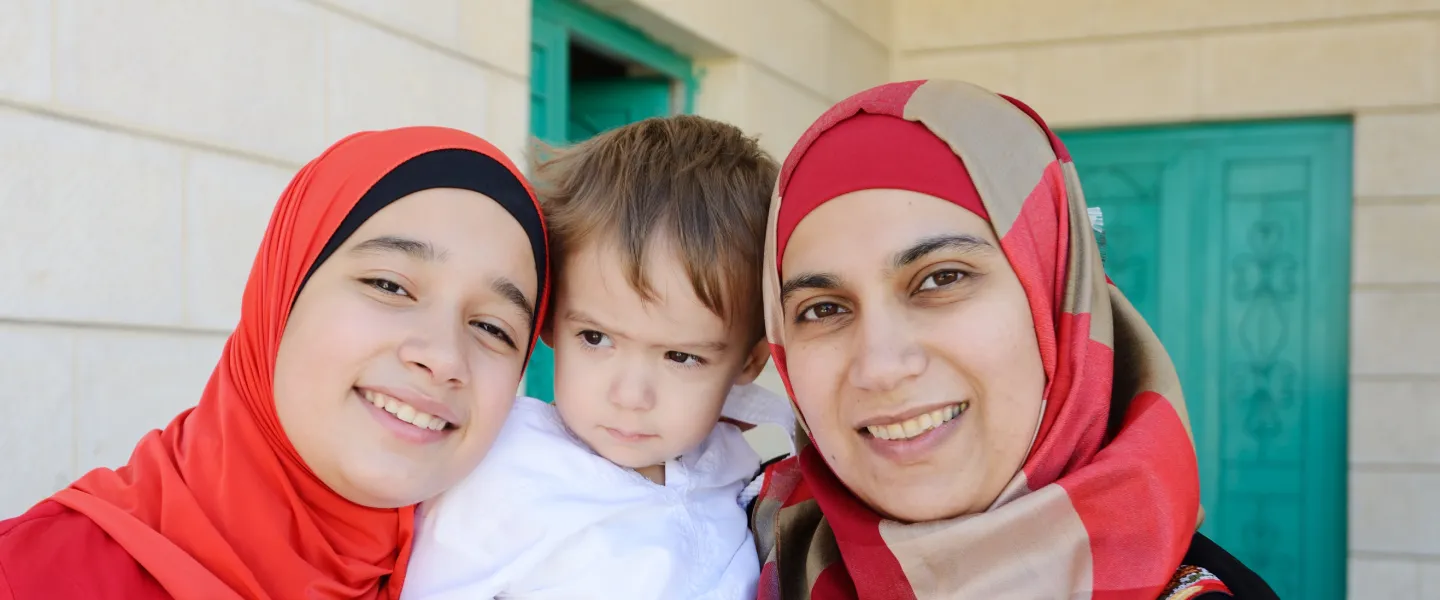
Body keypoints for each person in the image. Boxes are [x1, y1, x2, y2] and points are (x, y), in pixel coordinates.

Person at [749, 79, 1278, 599]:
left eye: (942, 278)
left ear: (1055, 300)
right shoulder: (732, 557)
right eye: (822, 309)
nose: (881, 366)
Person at [0, 126, 550, 600]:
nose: (443, 356)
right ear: (280, 296)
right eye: (389, 285)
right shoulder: (31, 576)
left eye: (492, 328)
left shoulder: (520, 580)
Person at [401, 115, 793, 600]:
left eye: (681, 357)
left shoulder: (737, 470)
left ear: (749, 362)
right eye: (595, 338)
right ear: (548, 319)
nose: (629, 395)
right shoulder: (503, 469)